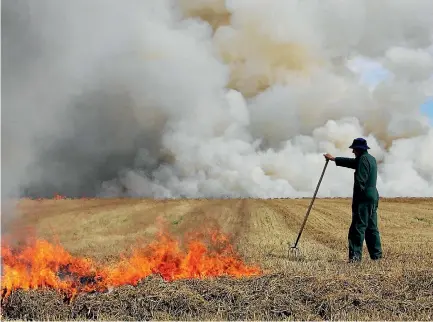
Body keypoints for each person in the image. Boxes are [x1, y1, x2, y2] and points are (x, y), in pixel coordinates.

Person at [323, 137, 382, 262]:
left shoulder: (362, 160)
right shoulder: (370, 159)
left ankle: (355, 257)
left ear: (358, 149)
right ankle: (376, 256)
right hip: (373, 195)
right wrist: (334, 159)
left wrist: (357, 200)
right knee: (371, 227)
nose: (352, 152)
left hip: (364, 196)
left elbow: (360, 181)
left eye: (354, 149)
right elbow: (351, 162)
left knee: (358, 227)